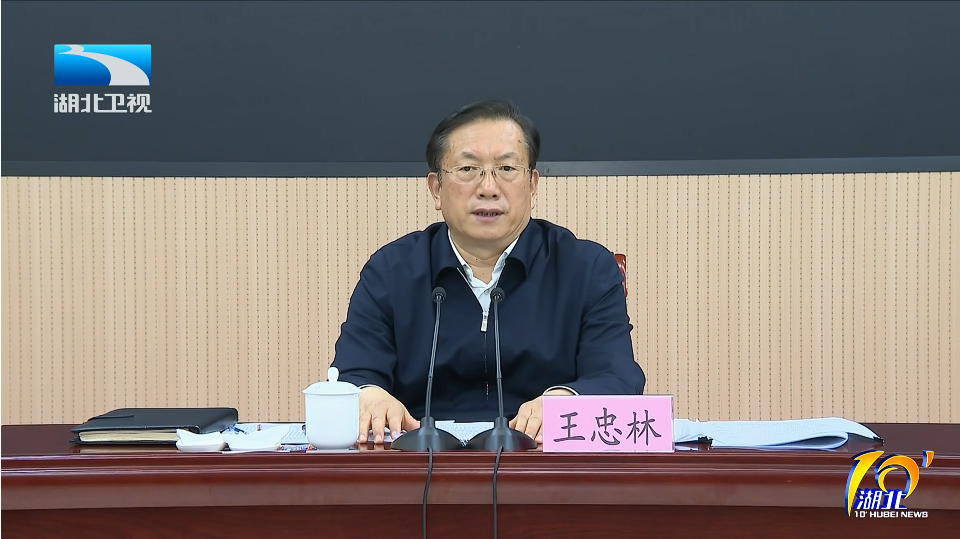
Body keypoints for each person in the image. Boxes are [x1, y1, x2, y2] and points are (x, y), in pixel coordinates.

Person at [330, 99, 646, 445]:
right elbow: (354, 373)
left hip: (543, 461)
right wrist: (369, 395)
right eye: (468, 169)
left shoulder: (586, 268)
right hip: (420, 462)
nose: (488, 188)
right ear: (436, 188)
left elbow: (617, 377)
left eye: (507, 169)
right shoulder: (391, 271)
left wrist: (565, 401)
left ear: (532, 184)